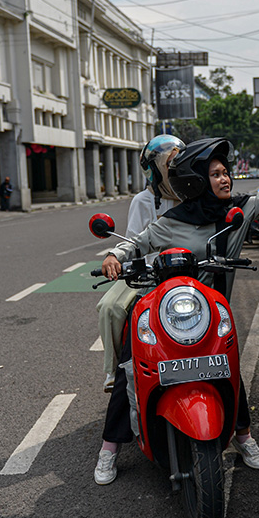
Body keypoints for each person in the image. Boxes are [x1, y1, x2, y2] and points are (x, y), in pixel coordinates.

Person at [94, 137, 259, 485]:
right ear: (196, 180)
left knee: (226, 365)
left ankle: (243, 436)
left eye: (226, 172)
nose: (225, 178)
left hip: (211, 313)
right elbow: (136, 242)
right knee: (132, 364)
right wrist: (114, 256)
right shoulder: (171, 222)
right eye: (215, 174)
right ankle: (109, 448)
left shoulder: (238, 214)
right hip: (169, 311)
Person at [95, 134, 185, 394]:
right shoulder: (143, 201)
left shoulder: (192, 195)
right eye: (169, 164)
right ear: (154, 168)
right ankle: (114, 371)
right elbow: (133, 240)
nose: (175, 169)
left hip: (187, 269)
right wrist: (117, 258)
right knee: (110, 307)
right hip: (148, 273)